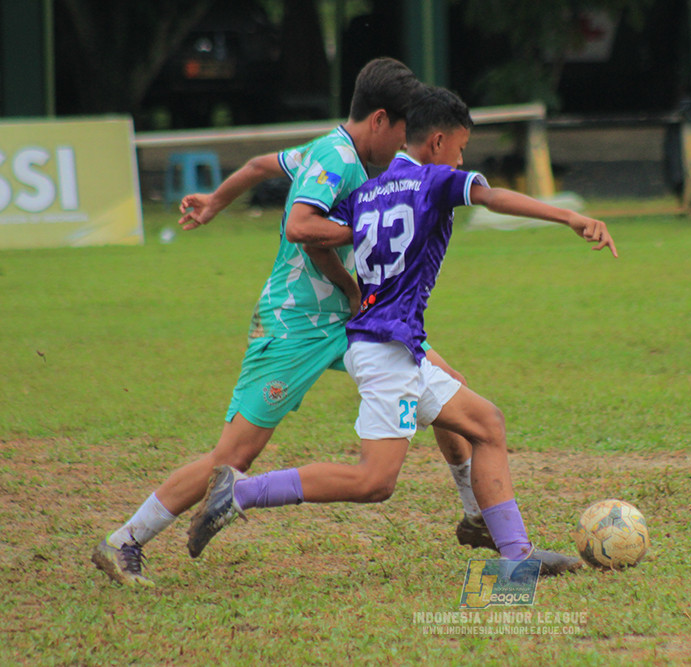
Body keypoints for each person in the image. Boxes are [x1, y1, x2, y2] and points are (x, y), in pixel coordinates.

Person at [91, 59, 493, 589]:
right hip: (295, 324)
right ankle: (126, 540)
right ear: (378, 120)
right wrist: (365, 230)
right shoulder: (335, 157)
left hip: (355, 320)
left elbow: (260, 166)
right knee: (233, 457)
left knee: (446, 390)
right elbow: (301, 225)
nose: (405, 144)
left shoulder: (333, 151)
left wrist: (217, 199)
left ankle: (477, 516)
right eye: (400, 131)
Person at [185, 86, 618, 576]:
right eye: (460, 148)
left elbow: (314, 240)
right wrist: (570, 217)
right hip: (385, 352)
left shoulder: (368, 189)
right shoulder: (435, 181)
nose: (461, 159)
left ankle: (516, 555)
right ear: (436, 142)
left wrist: (352, 291)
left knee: (486, 424)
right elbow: (493, 197)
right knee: (375, 482)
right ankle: (240, 491)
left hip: (395, 344)